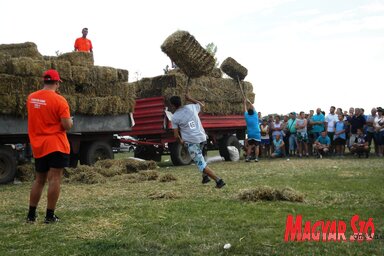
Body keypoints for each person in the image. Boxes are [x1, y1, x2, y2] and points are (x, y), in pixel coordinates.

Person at [26, 69, 73, 223]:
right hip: (56, 145)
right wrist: (71, 121)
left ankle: (31, 215)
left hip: (39, 145)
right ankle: (49, 215)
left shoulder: (31, 98)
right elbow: (66, 125)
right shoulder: (60, 100)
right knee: (54, 180)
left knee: (39, 180)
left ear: (44, 81)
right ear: (57, 83)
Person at [170, 94, 225, 188]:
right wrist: (191, 98)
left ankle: (219, 180)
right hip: (202, 138)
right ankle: (205, 178)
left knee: (201, 164)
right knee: (201, 158)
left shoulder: (175, 117)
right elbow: (201, 105)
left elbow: (176, 135)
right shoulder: (191, 107)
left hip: (192, 142)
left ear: (172, 105)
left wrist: (181, 142)